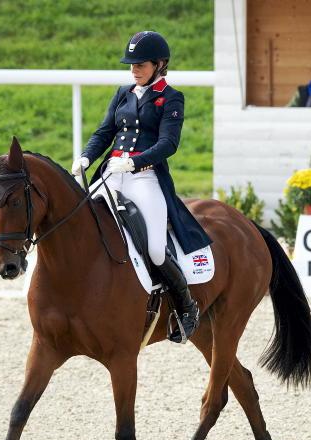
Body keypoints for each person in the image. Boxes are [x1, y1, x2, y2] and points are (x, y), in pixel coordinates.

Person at [71, 30, 211, 344]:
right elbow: (104, 132)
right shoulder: (123, 93)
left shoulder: (171, 97)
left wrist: (134, 162)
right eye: (132, 65)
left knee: (155, 249)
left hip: (145, 177)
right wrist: (86, 156)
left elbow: (168, 143)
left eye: (140, 65)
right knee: (78, 223)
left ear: (159, 65)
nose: (134, 70)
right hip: (111, 174)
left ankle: (185, 307)